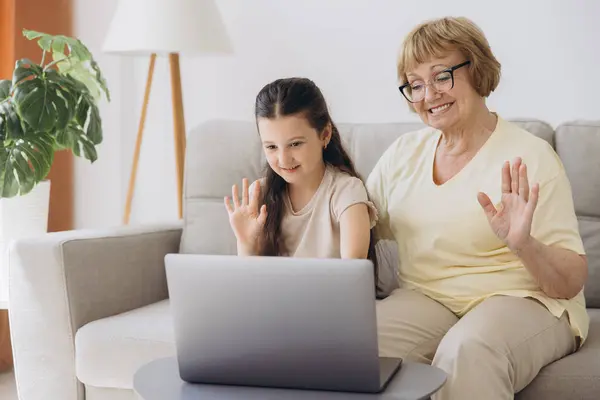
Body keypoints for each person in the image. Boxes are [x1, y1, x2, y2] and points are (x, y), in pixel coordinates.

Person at [366, 16, 588, 399]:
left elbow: (569, 282)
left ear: (477, 69)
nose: (428, 94)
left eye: (441, 76)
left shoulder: (530, 156)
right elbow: (357, 233)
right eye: (415, 85)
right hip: (426, 298)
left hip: (525, 300)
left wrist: (524, 244)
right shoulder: (402, 154)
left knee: (467, 351)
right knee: (354, 345)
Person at [223, 77, 380, 286]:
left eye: (295, 144)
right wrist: (246, 244)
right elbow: (250, 288)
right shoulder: (260, 194)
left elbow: (353, 277)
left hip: (329, 308)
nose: (283, 159)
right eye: (271, 147)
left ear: (324, 134)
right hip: (273, 309)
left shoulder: (346, 192)